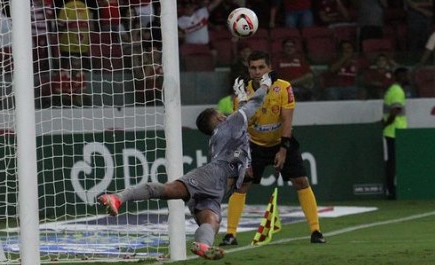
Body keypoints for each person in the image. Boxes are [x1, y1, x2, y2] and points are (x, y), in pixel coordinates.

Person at [98, 71, 277, 260]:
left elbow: (241, 118)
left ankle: (202, 245)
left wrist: (241, 99)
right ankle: (118, 198)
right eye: (221, 114)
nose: (225, 115)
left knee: (212, 221)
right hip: (214, 175)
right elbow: (255, 104)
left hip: (218, 188)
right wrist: (265, 85)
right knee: (167, 190)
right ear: (219, 119)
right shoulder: (228, 125)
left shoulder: (225, 130)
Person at [219, 50, 325, 247]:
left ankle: (316, 230)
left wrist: (283, 150)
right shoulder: (242, 94)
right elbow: (239, 130)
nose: (257, 71)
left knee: (301, 181)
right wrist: (246, 159)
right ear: (248, 70)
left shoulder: (283, 87)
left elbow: (287, 120)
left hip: (281, 141)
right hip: (254, 145)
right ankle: (230, 234)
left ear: (270, 68)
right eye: (253, 68)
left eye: (261, 67)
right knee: (241, 185)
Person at [382, 67, 409, 200]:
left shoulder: (391, 90)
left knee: (392, 161)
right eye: (404, 75)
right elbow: (395, 110)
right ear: (399, 77)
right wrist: (386, 124)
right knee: (393, 162)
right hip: (395, 131)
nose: (407, 77)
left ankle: (391, 189)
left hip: (391, 131)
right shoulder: (398, 91)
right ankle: (392, 190)